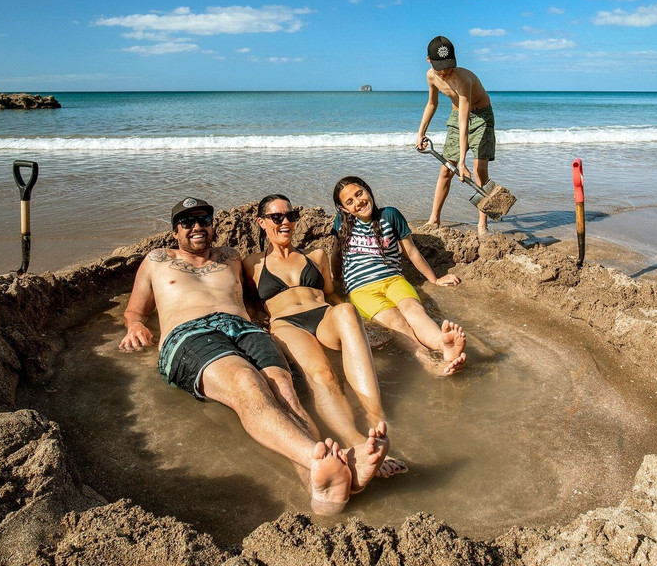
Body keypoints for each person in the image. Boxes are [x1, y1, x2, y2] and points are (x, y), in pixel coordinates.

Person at [118, 196, 388, 515]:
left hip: (244, 329)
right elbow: (134, 311)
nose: (197, 226)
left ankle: (324, 492)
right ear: (175, 230)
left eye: (204, 220)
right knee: (246, 381)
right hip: (190, 332)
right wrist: (135, 326)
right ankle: (320, 460)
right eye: (187, 222)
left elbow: (261, 297)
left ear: (213, 225)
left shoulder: (231, 257)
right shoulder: (157, 260)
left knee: (287, 394)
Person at [244, 194, 406, 478]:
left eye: (291, 216)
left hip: (322, 316)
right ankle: (354, 439)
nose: (286, 222)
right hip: (286, 324)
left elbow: (331, 294)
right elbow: (249, 303)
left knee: (345, 310)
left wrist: (360, 324)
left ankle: (376, 416)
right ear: (262, 222)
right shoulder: (252, 264)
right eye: (277, 217)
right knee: (322, 373)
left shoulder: (315, 256)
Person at [332, 176, 467, 376]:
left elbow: (411, 252)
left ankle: (443, 343)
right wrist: (335, 281)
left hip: (393, 280)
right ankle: (428, 362)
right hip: (361, 289)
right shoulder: (341, 223)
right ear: (343, 209)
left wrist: (435, 279)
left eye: (359, 194)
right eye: (349, 201)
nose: (358, 202)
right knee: (395, 322)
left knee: (414, 310)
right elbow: (336, 254)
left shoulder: (390, 215)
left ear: (367, 190)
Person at [416, 35, 496, 237]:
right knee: (446, 170)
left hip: (481, 116)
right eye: (439, 68)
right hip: (456, 114)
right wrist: (421, 132)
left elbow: (464, 122)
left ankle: (482, 225)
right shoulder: (431, 76)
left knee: (479, 169)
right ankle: (434, 219)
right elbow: (432, 104)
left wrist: (462, 162)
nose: (444, 72)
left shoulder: (462, 80)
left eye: (448, 67)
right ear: (429, 61)